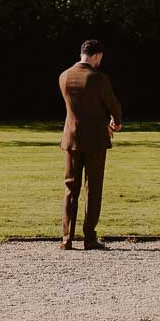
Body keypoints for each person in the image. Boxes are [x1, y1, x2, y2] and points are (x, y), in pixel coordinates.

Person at [57, 39, 122, 250]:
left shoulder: (64, 77)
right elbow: (111, 103)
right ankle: (89, 237)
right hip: (95, 140)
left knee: (70, 188)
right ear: (96, 55)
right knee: (93, 189)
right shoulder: (98, 78)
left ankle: (66, 238)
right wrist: (115, 121)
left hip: (72, 138)